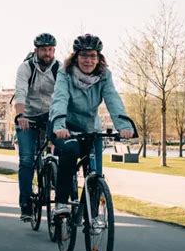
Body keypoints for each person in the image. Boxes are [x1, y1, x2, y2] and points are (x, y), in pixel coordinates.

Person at [49, 34, 134, 215]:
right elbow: (60, 99)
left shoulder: (104, 75)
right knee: (70, 151)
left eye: (93, 56)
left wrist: (124, 125)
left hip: (89, 127)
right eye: (84, 55)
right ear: (76, 57)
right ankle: (61, 203)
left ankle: (93, 213)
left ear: (99, 58)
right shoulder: (65, 73)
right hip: (64, 126)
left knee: (95, 169)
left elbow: (112, 98)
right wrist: (59, 126)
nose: (88, 60)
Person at [13, 32, 61, 221]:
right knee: (26, 160)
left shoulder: (60, 69)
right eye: (43, 50)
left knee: (64, 154)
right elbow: (20, 92)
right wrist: (20, 115)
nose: (47, 53)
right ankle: (25, 203)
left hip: (52, 116)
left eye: (50, 50)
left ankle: (63, 197)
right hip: (28, 116)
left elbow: (66, 94)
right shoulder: (26, 68)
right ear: (36, 50)